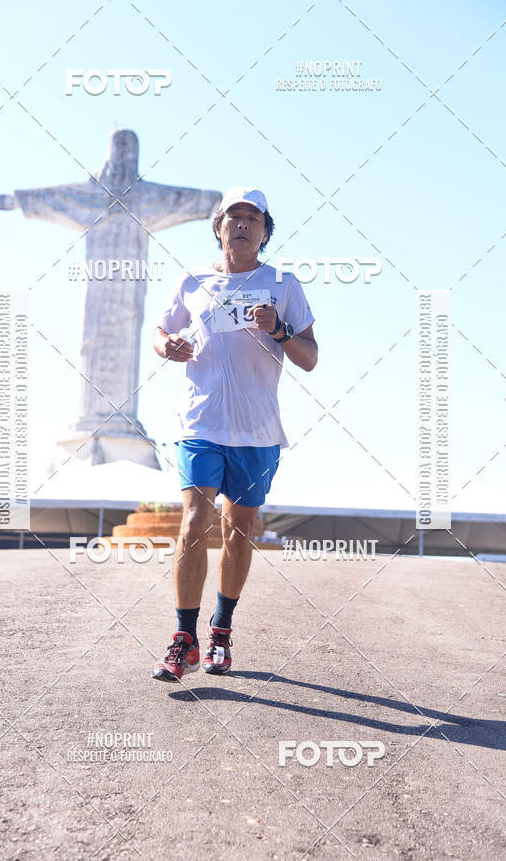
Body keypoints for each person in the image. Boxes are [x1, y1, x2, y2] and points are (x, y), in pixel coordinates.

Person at [151, 187, 318, 681]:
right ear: (218, 227)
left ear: (265, 232)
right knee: (195, 521)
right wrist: (169, 347)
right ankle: (185, 639)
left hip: (258, 431)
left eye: (253, 218)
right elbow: (159, 333)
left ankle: (221, 630)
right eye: (233, 217)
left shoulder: (283, 284)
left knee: (237, 530)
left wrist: (281, 330)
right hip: (199, 423)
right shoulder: (191, 281)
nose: (242, 224)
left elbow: (310, 358)